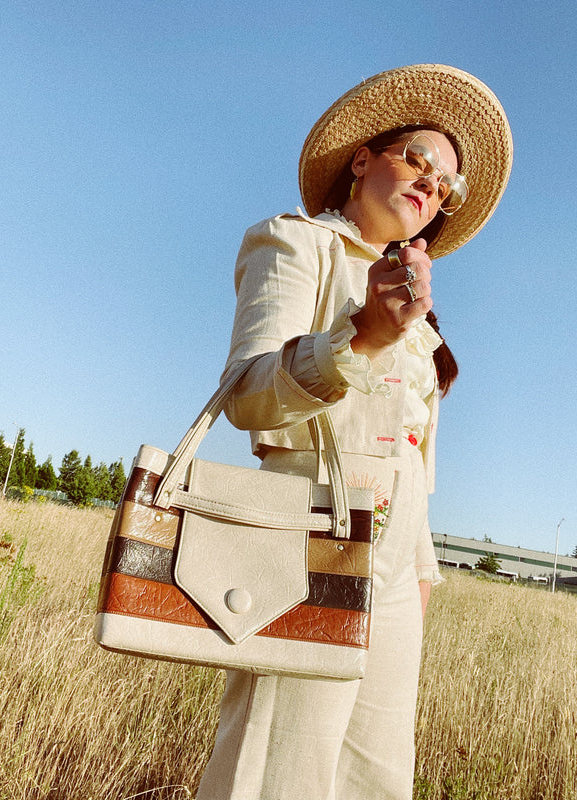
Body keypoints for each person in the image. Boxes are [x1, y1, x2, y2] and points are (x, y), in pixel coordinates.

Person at [195, 64, 512, 800]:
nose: (432, 184)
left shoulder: (419, 316)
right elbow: (245, 395)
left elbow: (411, 456)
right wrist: (359, 336)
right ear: (363, 160)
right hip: (311, 534)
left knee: (377, 778)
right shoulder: (295, 243)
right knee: (279, 767)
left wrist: (420, 571)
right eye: (418, 159)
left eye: (446, 187)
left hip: (401, 566)